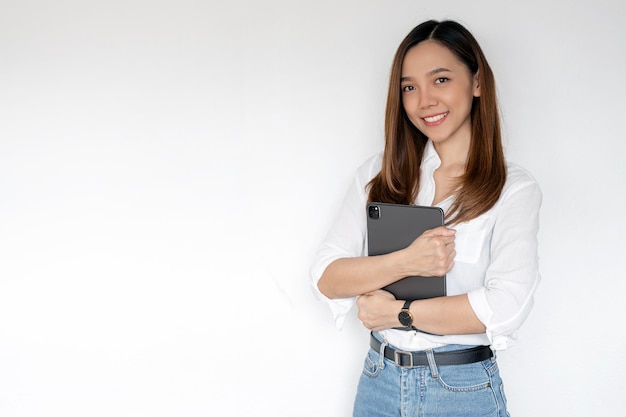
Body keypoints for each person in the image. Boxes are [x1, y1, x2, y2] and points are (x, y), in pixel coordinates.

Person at [310, 19, 541, 417]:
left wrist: (400, 314)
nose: (424, 101)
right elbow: (327, 276)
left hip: (461, 389)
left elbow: (505, 306)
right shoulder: (379, 173)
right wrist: (405, 261)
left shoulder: (513, 189)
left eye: (441, 80)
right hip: (378, 381)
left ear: (477, 82)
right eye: (410, 87)